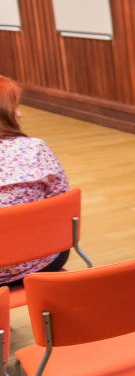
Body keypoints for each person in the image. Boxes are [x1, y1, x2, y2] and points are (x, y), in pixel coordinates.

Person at [0, 75, 72, 283]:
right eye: (14, 107)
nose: (19, 114)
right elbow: (61, 204)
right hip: (39, 262)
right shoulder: (35, 149)